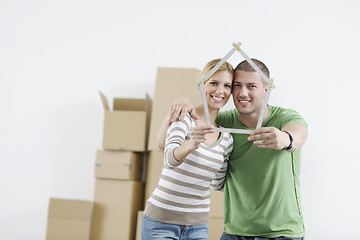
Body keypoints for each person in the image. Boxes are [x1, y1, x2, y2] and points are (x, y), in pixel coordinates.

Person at [162, 59, 308, 240]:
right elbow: (168, 142)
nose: (242, 93)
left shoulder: (284, 117)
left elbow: (299, 135)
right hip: (234, 232)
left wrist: (286, 139)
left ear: (266, 89)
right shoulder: (222, 123)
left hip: (281, 233)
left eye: (251, 86)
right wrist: (181, 101)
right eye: (237, 85)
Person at [141, 59, 235, 240]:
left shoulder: (227, 139)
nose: (219, 91)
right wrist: (191, 144)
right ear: (201, 85)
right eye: (213, 83)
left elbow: (217, 184)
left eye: (226, 85)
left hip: (197, 227)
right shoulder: (185, 117)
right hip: (160, 221)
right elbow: (169, 158)